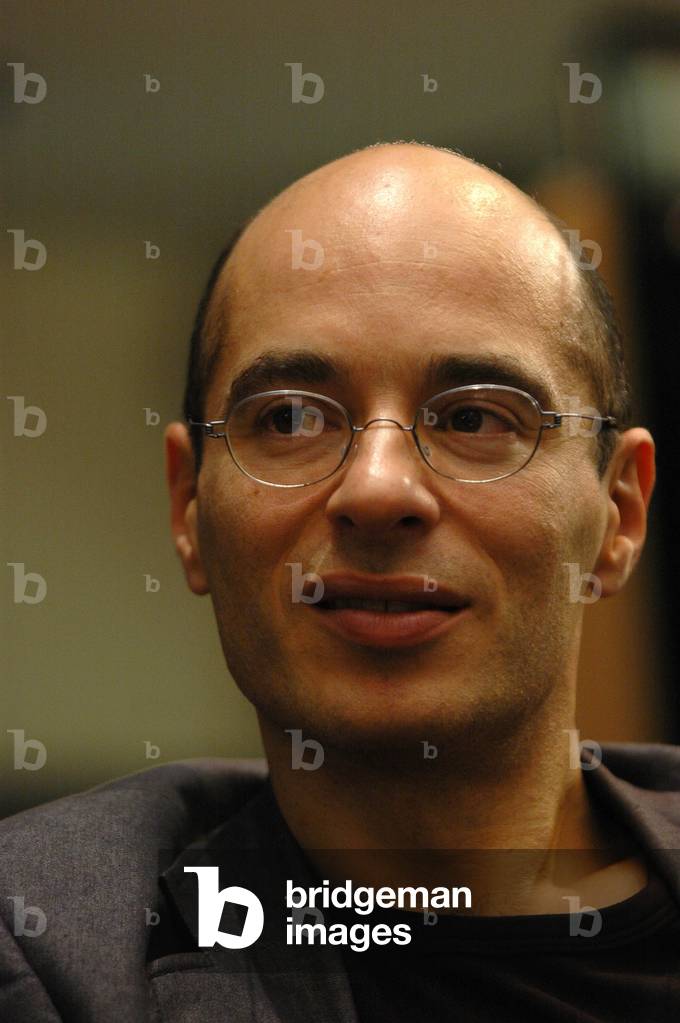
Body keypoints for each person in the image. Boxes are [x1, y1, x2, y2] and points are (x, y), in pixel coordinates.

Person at [1, 142, 677, 1023]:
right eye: (289, 418)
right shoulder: (47, 952)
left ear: (619, 514)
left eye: (475, 416)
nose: (377, 490)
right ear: (188, 505)